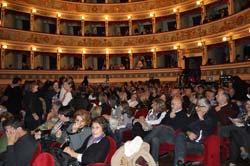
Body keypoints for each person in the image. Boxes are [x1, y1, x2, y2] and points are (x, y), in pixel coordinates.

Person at [174, 98, 217, 166]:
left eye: (198, 106)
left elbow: (207, 130)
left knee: (179, 144)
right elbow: (184, 127)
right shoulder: (194, 116)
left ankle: (179, 163)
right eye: (196, 106)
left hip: (199, 146)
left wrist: (201, 118)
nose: (196, 108)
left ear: (205, 108)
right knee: (180, 135)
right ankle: (180, 162)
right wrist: (188, 133)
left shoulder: (210, 118)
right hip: (188, 142)